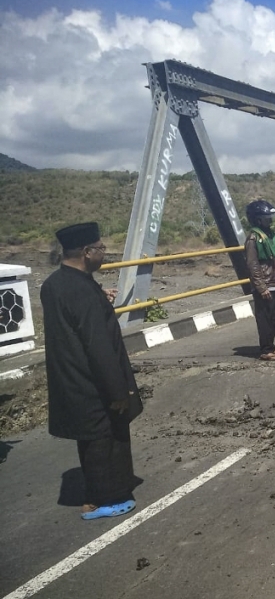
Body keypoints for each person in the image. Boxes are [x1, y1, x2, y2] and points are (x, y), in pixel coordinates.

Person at [40, 222, 143, 520]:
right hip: (94, 382)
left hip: (70, 378)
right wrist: (117, 391)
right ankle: (105, 498)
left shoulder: (55, 284)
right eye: (100, 249)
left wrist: (100, 297)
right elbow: (99, 347)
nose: (103, 253)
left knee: (89, 439)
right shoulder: (83, 292)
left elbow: (73, 322)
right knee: (105, 440)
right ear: (86, 252)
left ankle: (95, 496)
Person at [245, 200, 275, 361]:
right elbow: (252, 265)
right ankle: (265, 350)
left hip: (274, 282)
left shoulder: (269, 236)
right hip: (264, 284)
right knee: (264, 318)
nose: (270, 220)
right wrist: (261, 287)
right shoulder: (253, 239)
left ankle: (271, 346)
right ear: (257, 219)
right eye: (266, 217)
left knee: (273, 317)